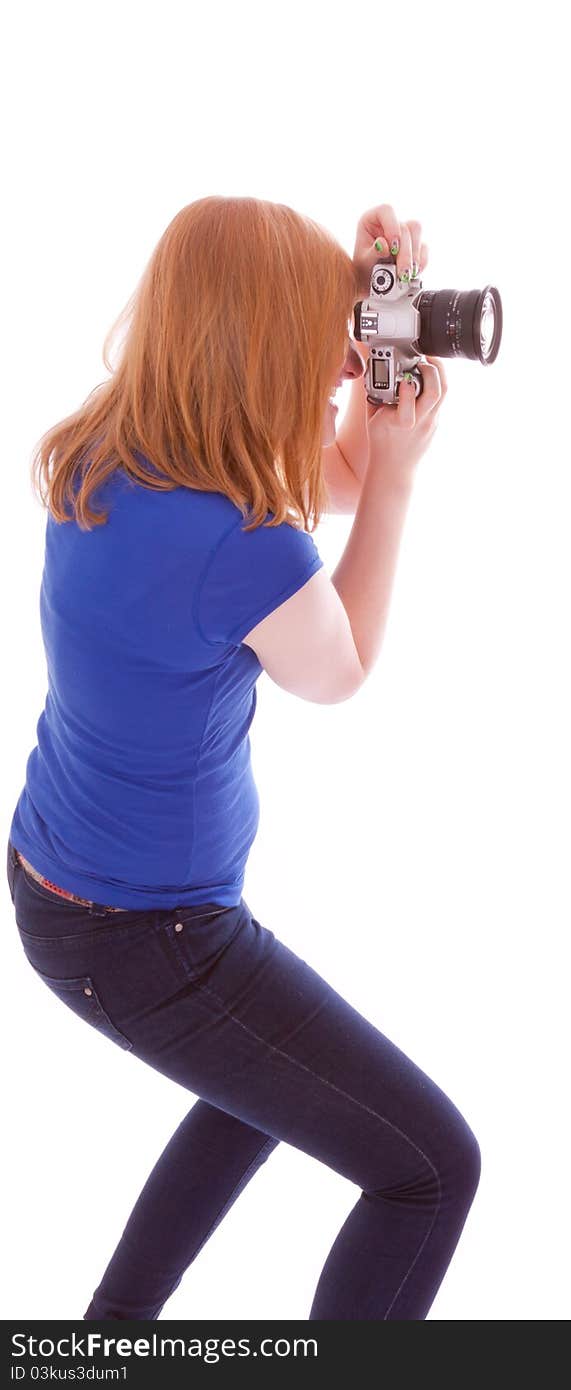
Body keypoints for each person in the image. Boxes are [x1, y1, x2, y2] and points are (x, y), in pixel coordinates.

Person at [6, 196, 480, 1321]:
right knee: (427, 1170)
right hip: (148, 940)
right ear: (263, 355)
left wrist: (387, 315)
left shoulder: (119, 443)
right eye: (323, 373)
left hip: (69, 891)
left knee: (262, 1087)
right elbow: (342, 663)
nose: (335, 390)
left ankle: (106, 1341)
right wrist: (401, 469)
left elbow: (331, 476)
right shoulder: (241, 543)